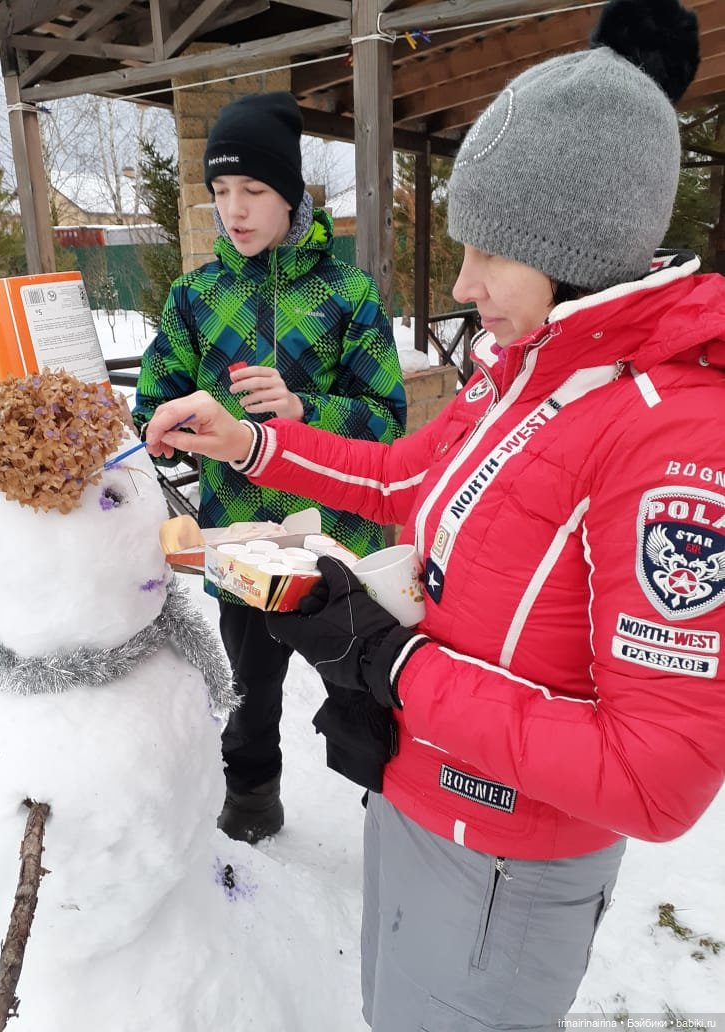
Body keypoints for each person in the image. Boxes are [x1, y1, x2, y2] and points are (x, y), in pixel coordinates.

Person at [144, 1, 725, 1028]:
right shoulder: (521, 371)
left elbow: (655, 778)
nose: (461, 284)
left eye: (489, 253)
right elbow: (401, 478)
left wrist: (393, 661)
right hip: (417, 790)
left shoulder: (672, 438)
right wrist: (250, 444)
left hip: (503, 860)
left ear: (576, 247)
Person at [133, 90, 406, 844]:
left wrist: (302, 409)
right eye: (221, 190)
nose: (234, 209)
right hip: (239, 538)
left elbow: (387, 421)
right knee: (248, 686)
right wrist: (165, 424)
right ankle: (253, 792)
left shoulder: (348, 295)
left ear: (289, 192)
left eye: (253, 188)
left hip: (336, 540)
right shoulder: (195, 297)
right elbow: (152, 399)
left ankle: (390, 804)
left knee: (361, 678)